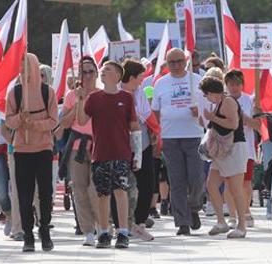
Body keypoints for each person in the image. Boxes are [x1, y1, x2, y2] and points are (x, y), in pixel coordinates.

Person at [77, 61, 140, 249]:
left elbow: (134, 126)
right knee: (103, 194)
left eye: (107, 70)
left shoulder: (126, 98)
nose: (102, 72)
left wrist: (137, 156)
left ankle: (123, 232)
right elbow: (81, 121)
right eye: (102, 70)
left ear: (118, 76)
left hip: (121, 152)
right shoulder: (94, 98)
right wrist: (80, 100)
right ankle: (104, 232)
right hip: (100, 153)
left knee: (120, 191)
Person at [5, 53, 57, 252]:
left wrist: (34, 124)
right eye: (21, 67)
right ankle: (28, 234)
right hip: (22, 150)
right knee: (24, 194)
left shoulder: (47, 92)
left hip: (43, 148)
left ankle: (44, 229)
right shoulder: (15, 93)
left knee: (45, 193)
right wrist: (20, 119)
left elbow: (53, 121)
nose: (22, 70)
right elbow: (9, 120)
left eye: (26, 66)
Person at [151, 48, 206, 236]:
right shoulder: (160, 83)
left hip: (194, 136)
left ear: (185, 61)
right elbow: (155, 112)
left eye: (178, 61)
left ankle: (194, 207)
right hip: (170, 137)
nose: (175, 65)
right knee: (177, 181)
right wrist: (156, 135)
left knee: (196, 177)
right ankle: (182, 222)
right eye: (171, 62)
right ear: (166, 64)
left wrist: (199, 111)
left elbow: (210, 106)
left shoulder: (197, 80)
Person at [199, 76, 249, 239]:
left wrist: (212, 118)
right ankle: (221, 222)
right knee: (211, 185)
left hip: (234, 149)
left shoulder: (227, 101)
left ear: (213, 92)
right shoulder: (218, 104)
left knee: (235, 189)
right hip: (221, 152)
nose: (206, 98)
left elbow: (233, 124)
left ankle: (242, 226)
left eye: (206, 94)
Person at [60, 57, 101, 246]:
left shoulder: (102, 95)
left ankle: (103, 226)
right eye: (83, 72)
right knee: (79, 189)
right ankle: (88, 231)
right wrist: (78, 101)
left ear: (96, 73)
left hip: (98, 147)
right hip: (77, 148)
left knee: (96, 189)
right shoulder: (71, 96)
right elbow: (65, 123)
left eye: (91, 71)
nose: (87, 76)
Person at [121, 59, 157, 241]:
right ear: (132, 76)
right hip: (122, 144)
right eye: (140, 77)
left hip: (142, 144)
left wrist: (155, 130)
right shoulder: (117, 92)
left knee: (147, 184)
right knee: (123, 186)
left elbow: (146, 114)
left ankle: (140, 221)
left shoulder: (140, 92)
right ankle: (124, 223)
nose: (142, 80)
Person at [224, 69, 258, 228]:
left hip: (246, 148)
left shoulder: (250, 101)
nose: (234, 87)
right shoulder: (222, 101)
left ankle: (245, 211)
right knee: (230, 182)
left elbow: (257, 125)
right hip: (228, 148)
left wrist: (244, 118)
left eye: (237, 84)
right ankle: (232, 215)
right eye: (231, 84)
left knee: (245, 183)